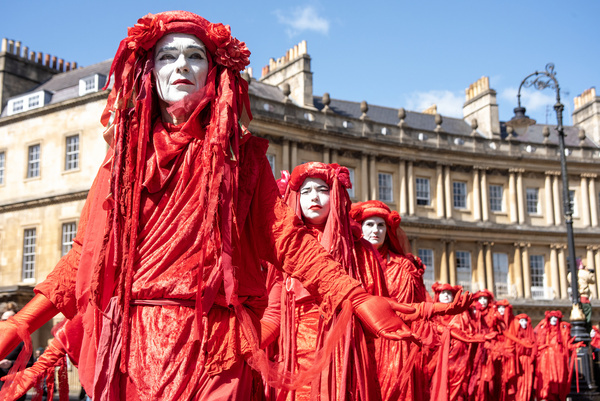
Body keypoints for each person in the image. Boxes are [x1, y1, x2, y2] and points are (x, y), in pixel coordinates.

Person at [0, 11, 415, 401]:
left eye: (194, 55)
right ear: (150, 71)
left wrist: (355, 296)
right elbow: (87, 254)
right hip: (135, 341)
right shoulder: (124, 157)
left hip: (214, 343)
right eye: (167, 55)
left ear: (213, 72)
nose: (181, 65)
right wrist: (23, 320)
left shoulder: (243, 157)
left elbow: (285, 239)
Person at [262, 163, 415, 400]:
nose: (314, 197)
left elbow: (379, 307)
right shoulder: (284, 252)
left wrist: (428, 312)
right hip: (295, 365)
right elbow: (273, 315)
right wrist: (243, 342)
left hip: (344, 361)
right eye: (305, 191)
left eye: (322, 189)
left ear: (335, 195)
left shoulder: (359, 251)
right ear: (295, 198)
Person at [350, 200, 470, 401]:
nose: (376, 230)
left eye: (381, 225)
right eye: (369, 225)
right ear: (360, 228)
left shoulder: (404, 268)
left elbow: (411, 310)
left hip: (396, 348)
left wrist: (445, 311)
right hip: (359, 345)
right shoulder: (350, 262)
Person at [429, 283, 493, 401]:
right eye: (443, 293)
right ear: (438, 295)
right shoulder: (432, 313)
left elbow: (468, 332)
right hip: (437, 357)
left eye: (449, 293)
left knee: (457, 390)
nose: (446, 296)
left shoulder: (461, 314)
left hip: (459, 359)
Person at [534, 310, 582, 401]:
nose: (554, 320)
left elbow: (566, 345)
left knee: (559, 378)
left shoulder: (563, 331)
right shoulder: (544, 330)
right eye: (552, 318)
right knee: (547, 378)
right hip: (547, 359)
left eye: (556, 318)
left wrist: (575, 346)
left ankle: (557, 396)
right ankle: (546, 395)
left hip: (558, 359)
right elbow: (539, 343)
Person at [505, 314, 536, 401]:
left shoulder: (530, 334)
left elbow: (534, 346)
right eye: (521, 321)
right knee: (519, 382)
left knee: (527, 383)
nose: (524, 323)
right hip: (518, 362)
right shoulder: (515, 335)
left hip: (528, 362)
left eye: (525, 321)